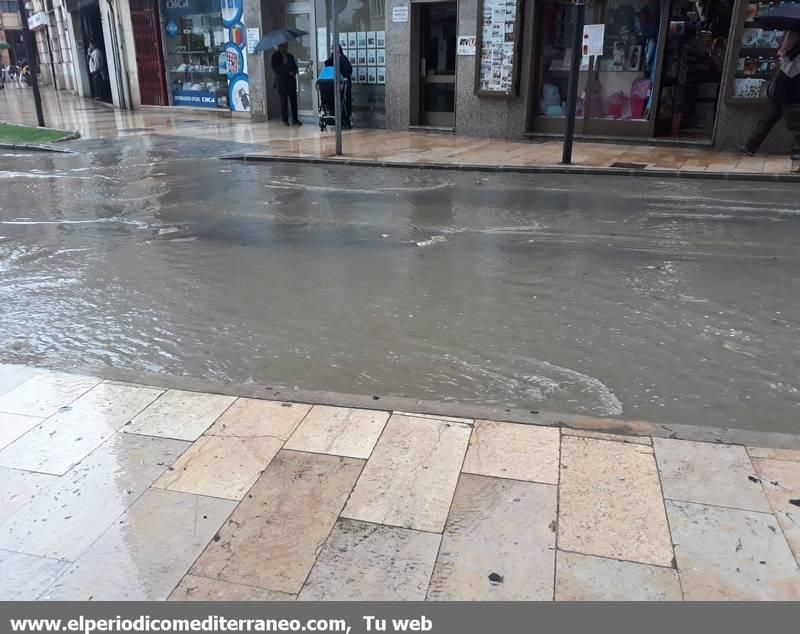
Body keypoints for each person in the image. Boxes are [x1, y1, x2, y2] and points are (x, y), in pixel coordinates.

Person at [737, 30, 800, 156]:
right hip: (780, 92)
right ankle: (750, 146)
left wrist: (784, 59)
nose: (785, 40)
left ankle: (798, 151)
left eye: (789, 38)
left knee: (795, 125)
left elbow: (792, 72)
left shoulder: (797, 54)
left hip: (793, 94)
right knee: (766, 120)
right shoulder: (789, 51)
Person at [271, 43, 301, 126]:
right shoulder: (275, 56)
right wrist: (284, 65)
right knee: (283, 102)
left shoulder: (290, 56)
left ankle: (295, 119)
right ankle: (285, 120)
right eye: (284, 46)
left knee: (293, 101)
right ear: (280, 47)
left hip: (291, 82)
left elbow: (295, 67)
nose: (285, 48)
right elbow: (275, 69)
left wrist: (293, 72)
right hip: (281, 83)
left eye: (287, 46)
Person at [324, 45, 353, 123]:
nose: (333, 52)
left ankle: (345, 117)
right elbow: (327, 65)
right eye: (332, 50)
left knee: (344, 100)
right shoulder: (331, 60)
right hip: (333, 85)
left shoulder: (343, 58)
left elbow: (348, 69)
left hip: (343, 85)